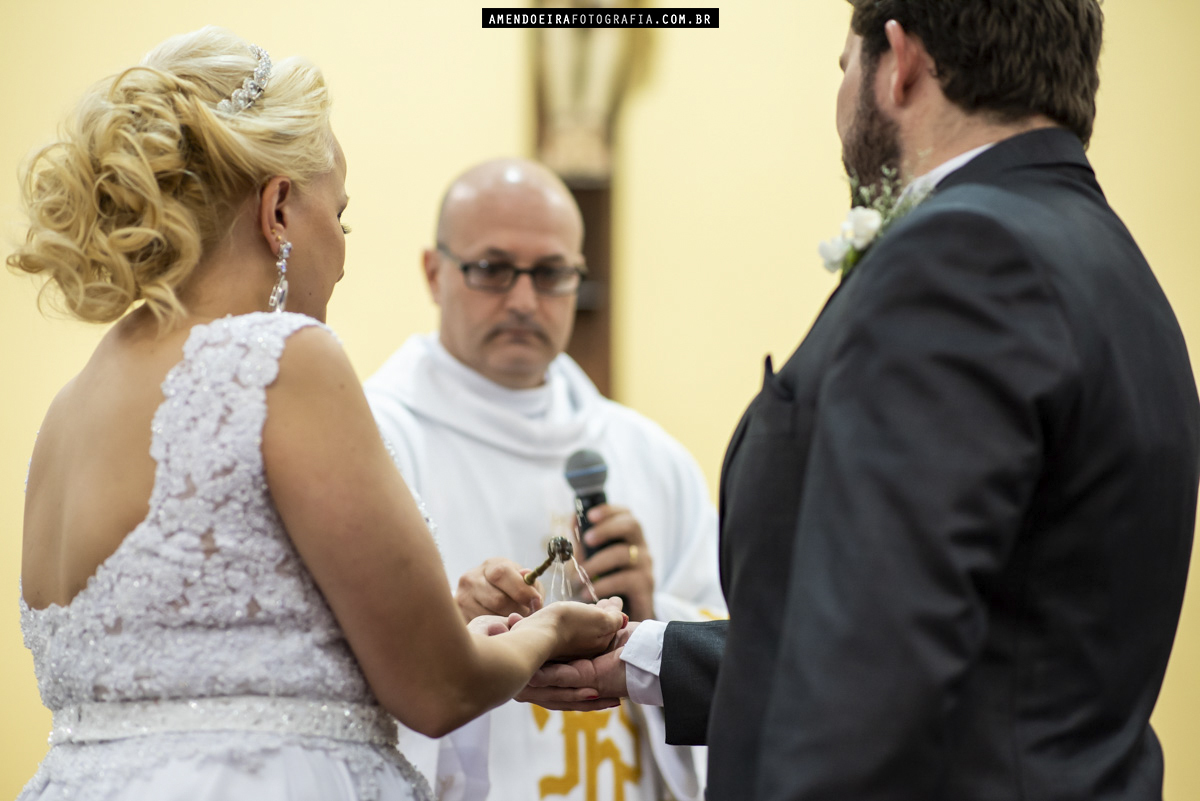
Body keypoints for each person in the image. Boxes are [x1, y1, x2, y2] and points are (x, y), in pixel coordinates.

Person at [520, 1, 1200, 799]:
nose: (841, 97)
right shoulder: (1114, 264)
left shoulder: (961, 260)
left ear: (900, 63)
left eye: (844, 67)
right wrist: (644, 657)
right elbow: (978, 635)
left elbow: (876, 669)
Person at [10, 27, 625, 801]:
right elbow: (437, 690)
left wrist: (447, 619)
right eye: (341, 213)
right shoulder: (284, 359)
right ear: (278, 210)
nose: (342, 248)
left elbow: (241, 645)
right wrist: (549, 630)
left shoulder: (68, 412)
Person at [364, 157, 725, 801]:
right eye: (492, 269)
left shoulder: (650, 454)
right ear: (433, 271)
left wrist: (650, 612)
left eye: (552, 273)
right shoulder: (375, 439)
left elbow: (738, 650)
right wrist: (452, 631)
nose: (524, 300)